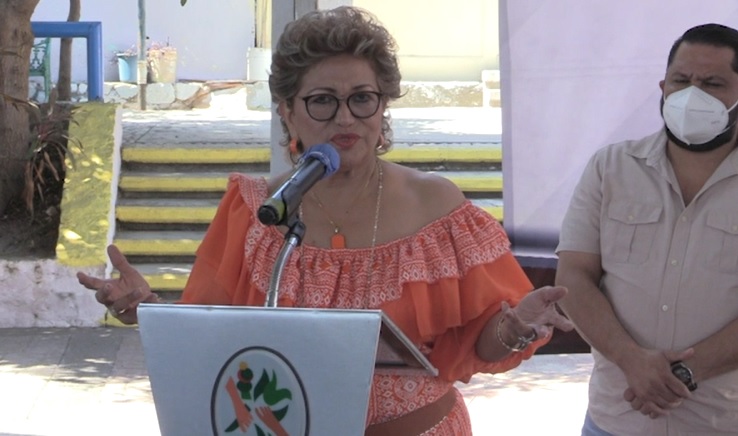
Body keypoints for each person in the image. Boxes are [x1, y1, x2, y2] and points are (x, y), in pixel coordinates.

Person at [78, 6, 573, 435]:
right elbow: (212, 338)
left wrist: (516, 325)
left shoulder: (437, 207)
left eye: (362, 97)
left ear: (383, 107)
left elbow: (478, 343)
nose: (345, 117)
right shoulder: (257, 212)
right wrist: (147, 310)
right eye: (322, 100)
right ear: (287, 112)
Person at [555, 23, 738, 436]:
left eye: (712, 84)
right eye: (681, 81)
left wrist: (684, 373)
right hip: (614, 419)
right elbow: (574, 277)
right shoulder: (611, 168)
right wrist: (631, 360)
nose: (693, 95)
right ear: (663, 87)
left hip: (720, 422)